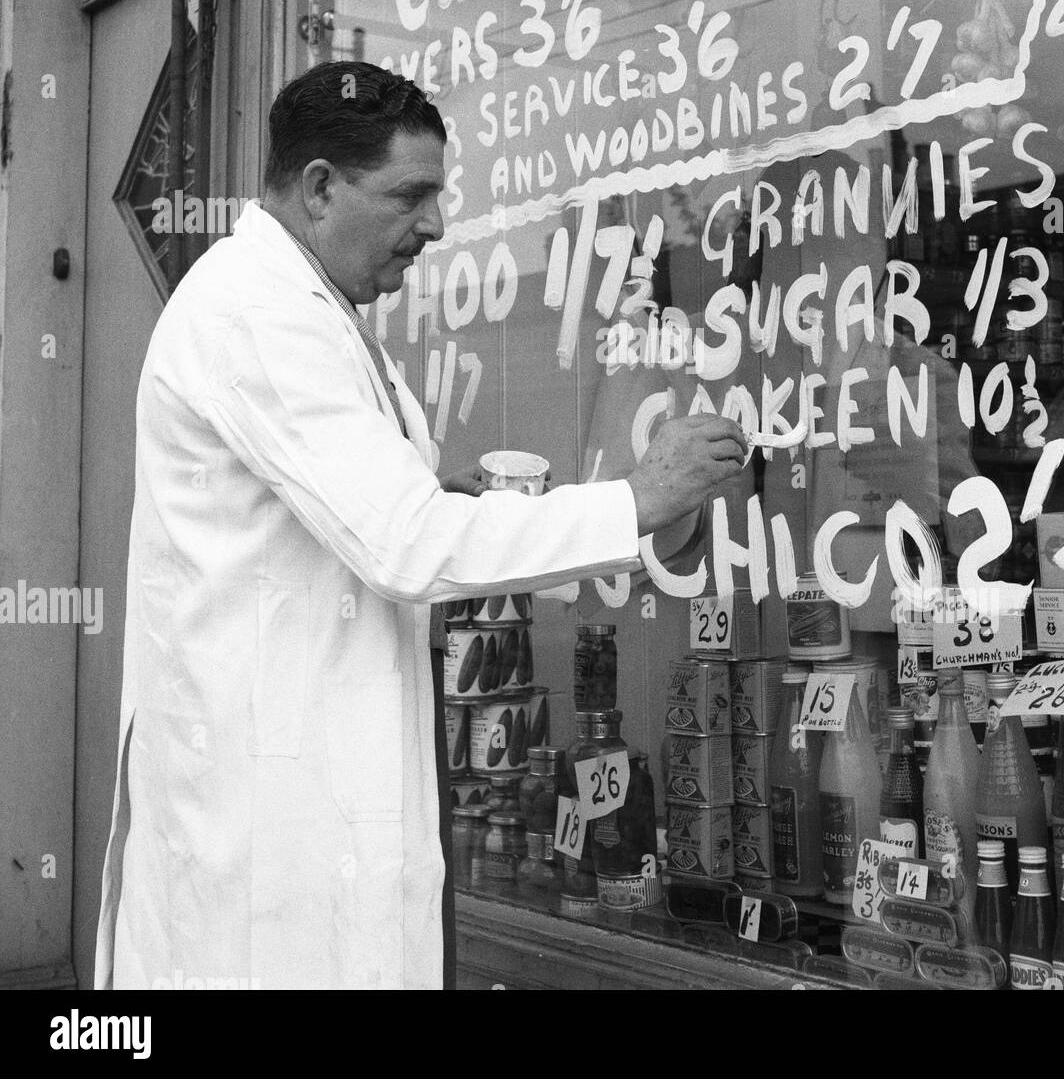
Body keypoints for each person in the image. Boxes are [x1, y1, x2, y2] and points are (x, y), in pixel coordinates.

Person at [94, 61, 746, 990]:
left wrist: (443, 493)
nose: (436, 227)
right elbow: (402, 542)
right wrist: (636, 500)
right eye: (411, 196)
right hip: (261, 848)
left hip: (324, 821)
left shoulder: (322, 314)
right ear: (319, 188)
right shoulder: (252, 314)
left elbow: (361, 509)